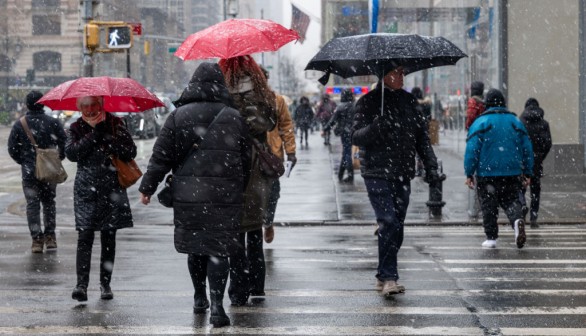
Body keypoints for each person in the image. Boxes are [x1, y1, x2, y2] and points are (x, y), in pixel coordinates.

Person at [138, 63, 249, 328]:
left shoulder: (178, 116)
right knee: (218, 249)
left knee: (196, 248)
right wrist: (237, 186)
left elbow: (160, 157)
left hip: (189, 194)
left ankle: (200, 297)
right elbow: (246, 158)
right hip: (224, 194)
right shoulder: (234, 116)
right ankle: (218, 306)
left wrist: (147, 187)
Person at [352, 66, 441, 297]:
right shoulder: (368, 102)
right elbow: (355, 136)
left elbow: (422, 137)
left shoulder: (409, 102)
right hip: (376, 172)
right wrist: (375, 128)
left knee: (397, 226)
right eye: (397, 73)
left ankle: (383, 274)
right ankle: (390, 277)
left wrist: (430, 166)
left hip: (402, 171)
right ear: (385, 75)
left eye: (403, 73)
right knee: (388, 221)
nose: (402, 77)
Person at [218, 55, 277, 307]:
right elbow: (269, 121)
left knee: (235, 233)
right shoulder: (262, 88)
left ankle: (239, 290)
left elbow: (218, 126)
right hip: (256, 166)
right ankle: (256, 285)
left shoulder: (222, 88)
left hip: (231, 163)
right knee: (252, 229)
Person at [65, 95, 137, 302]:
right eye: (85, 106)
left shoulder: (115, 123)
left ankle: (105, 284)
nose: (89, 109)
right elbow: (71, 153)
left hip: (111, 188)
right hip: (86, 189)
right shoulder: (76, 126)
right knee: (84, 236)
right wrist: (94, 135)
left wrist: (110, 139)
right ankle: (81, 286)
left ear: (101, 104)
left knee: (108, 237)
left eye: (93, 105)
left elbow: (129, 151)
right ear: (80, 108)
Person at [464, 89, 533, 249]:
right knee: (511, 201)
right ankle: (517, 221)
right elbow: (527, 149)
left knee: (489, 205)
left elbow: (472, 150)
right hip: (512, 172)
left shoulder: (481, 123)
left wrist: (469, 172)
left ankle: (491, 238)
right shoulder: (515, 122)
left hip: (487, 173)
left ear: (487, 103)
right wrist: (527, 172)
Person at [7, 90, 67, 253]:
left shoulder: (21, 124)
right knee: (49, 204)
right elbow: (64, 143)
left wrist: (25, 161)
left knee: (32, 205)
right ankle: (50, 237)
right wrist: (56, 159)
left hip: (29, 172)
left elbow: (12, 148)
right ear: (43, 104)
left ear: (27, 105)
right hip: (49, 171)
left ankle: (37, 240)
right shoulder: (52, 122)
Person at [256, 66, 297, 297]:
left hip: (271, 156)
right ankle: (256, 223)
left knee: (273, 193)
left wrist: (291, 152)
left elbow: (286, 126)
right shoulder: (242, 100)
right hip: (250, 156)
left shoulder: (277, 100)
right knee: (252, 195)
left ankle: (268, 221)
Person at [519, 98, 552, 228]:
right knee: (535, 190)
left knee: (521, 187)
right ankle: (534, 217)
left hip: (523, 161)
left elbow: (518, 142)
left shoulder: (521, 122)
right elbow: (548, 143)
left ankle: (522, 208)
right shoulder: (544, 124)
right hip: (537, 160)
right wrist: (540, 157)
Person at [324, 88, 355, 182]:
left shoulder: (341, 107)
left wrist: (326, 128)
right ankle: (341, 174)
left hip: (344, 132)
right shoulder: (355, 106)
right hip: (353, 132)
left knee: (347, 152)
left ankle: (350, 175)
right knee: (346, 151)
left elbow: (333, 120)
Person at [411, 87, 432, 176]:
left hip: (413, 129)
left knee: (413, 149)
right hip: (424, 128)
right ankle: (424, 168)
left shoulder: (412, 104)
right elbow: (429, 117)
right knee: (423, 148)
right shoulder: (426, 104)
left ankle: (416, 168)